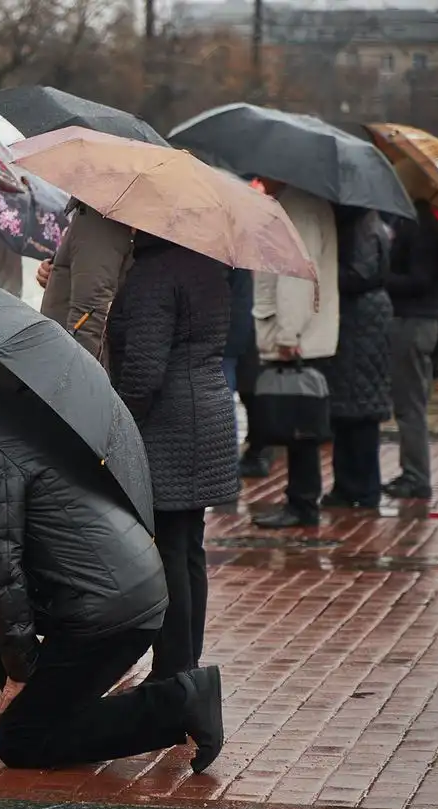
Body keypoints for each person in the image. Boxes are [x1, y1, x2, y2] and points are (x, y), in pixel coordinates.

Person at [0, 360, 223, 772]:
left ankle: (180, 703)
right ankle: (41, 703)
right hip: (110, 589)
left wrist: (20, 671)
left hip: (107, 610)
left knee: (21, 740)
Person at [106, 233, 239, 678]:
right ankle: (185, 664)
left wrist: (118, 423)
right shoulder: (207, 263)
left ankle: (172, 670)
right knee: (187, 546)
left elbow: (145, 368)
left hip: (169, 422)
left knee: (167, 549)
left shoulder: (153, 274)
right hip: (208, 407)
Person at [251, 180, 341, 529]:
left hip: (297, 335)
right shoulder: (308, 202)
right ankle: (302, 500)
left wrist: (288, 334)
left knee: (299, 426)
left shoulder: (297, 208)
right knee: (301, 423)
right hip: (306, 331)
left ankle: (302, 503)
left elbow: (294, 277)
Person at [321, 208, 394, 508]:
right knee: (350, 409)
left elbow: (359, 273)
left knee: (360, 411)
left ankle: (361, 488)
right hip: (361, 322)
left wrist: (323, 270)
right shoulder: (365, 222)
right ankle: (351, 485)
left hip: (361, 323)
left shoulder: (362, 226)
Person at [383, 161, 438, 501]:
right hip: (420, 320)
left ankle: (416, 476)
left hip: (413, 321)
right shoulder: (423, 221)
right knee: (411, 402)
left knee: (410, 405)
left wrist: (383, 278)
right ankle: (412, 472)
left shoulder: (417, 224)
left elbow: (421, 279)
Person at [38, 199, 134, 362]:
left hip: (65, 358)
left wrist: (75, 380)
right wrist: (57, 273)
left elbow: (89, 315)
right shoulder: (94, 209)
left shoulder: (104, 213)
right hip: (58, 347)